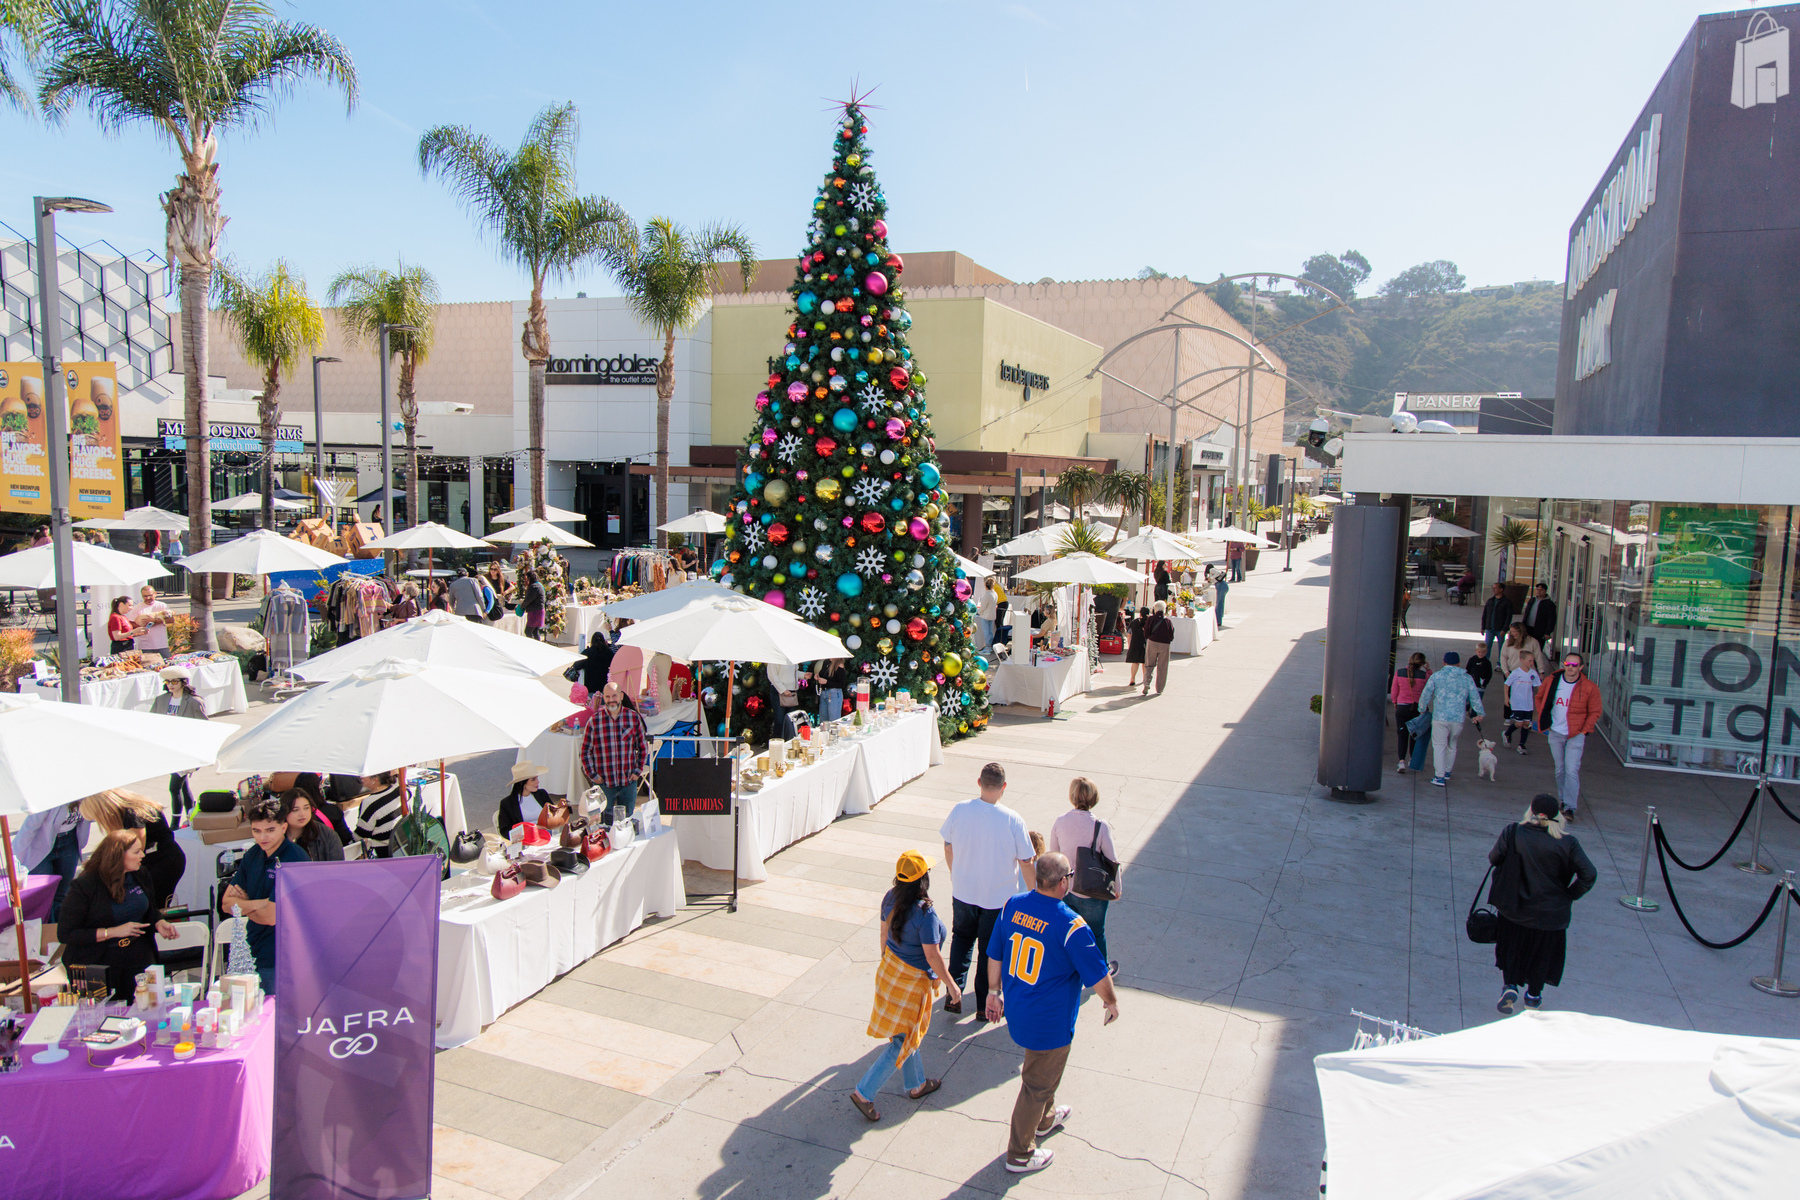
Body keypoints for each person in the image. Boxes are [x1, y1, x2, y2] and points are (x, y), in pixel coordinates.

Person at [985, 852, 1120, 1174]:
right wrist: (1110, 1001)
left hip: (1019, 1010)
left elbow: (994, 953)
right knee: (1036, 1084)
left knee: (1042, 1072)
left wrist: (993, 992)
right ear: (1063, 882)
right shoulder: (1070, 923)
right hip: (1050, 1021)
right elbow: (1098, 975)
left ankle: (1044, 1120)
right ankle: (1019, 1153)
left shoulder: (1012, 905)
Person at [848, 850, 957, 1122]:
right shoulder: (925, 913)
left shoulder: (890, 898)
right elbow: (932, 955)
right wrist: (952, 986)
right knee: (901, 1040)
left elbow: (884, 936)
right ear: (922, 880)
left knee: (908, 1035)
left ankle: (917, 1084)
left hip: (890, 972)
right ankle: (864, 1093)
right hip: (912, 981)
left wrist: (888, 965)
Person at [939, 763, 1035, 1020]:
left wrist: (954, 872)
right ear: (1004, 787)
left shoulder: (960, 810)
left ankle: (953, 993)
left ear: (978, 782)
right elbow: (1027, 861)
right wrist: (1035, 896)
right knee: (989, 951)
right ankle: (983, 1005)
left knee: (961, 941)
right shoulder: (1013, 820)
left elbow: (947, 845)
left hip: (963, 892)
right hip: (997, 900)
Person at [1488, 794, 1597, 1013]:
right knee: (1542, 955)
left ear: (1531, 811)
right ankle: (1533, 995)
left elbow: (1494, 858)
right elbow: (1589, 874)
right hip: (1551, 915)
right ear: (1558, 816)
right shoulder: (1568, 843)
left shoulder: (1513, 832)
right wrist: (1569, 895)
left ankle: (1510, 986)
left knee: (1511, 949)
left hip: (1514, 907)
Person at [59, 830, 181, 999]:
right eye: (136, 852)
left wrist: (159, 922)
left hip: (138, 955)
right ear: (118, 856)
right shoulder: (85, 886)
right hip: (100, 961)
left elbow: (149, 910)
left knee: (147, 1003)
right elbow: (66, 934)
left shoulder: (140, 874)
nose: (142, 855)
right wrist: (113, 932)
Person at [221, 796, 310, 993]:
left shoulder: (294, 859)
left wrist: (244, 907)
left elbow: (270, 917)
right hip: (254, 950)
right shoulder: (253, 854)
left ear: (284, 828)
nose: (263, 837)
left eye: (270, 830)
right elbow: (226, 904)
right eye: (257, 831)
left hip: (283, 956)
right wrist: (261, 903)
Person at [1047, 777, 1122, 976]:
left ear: (1072, 796)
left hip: (1066, 890)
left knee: (1067, 933)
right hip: (1093, 892)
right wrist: (1117, 888)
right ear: (1094, 797)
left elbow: (1054, 857)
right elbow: (1112, 860)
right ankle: (1102, 970)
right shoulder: (1100, 826)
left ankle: (1069, 968)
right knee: (1096, 933)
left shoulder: (1060, 822)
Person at [79, 789, 186, 911]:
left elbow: (135, 849)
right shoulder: (134, 807)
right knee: (152, 906)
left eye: (97, 818)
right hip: (160, 859)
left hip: (163, 863)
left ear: (103, 810)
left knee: (152, 907)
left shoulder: (132, 815)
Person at [1533, 651, 1601, 821]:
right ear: (1563, 664)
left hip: (1576, 734)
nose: (1570, 668)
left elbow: (1595, 711)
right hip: (1556, 732)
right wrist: (1545, 717)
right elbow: (1540, 698)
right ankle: (1563, 801)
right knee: (1560, 769)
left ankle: (1570, 807)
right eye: (1568, 664)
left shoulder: (1590, 687)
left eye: (1575, 665)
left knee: (1571, 770)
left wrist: (1585, 729)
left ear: (1581, 667)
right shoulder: (1552, 681)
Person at [15, 801, 89, 939]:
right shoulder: (52, 798)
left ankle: (61, 935)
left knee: (62, 893)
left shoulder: (88, 794)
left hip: (70, 841)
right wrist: (14, 859)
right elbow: (29, 828)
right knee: (45, 895)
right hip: (42, 846)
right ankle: (47, 938)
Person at [150, 666, 208, 826]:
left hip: (187, 751)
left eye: (174, 681)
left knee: (174, 787)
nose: (170, 685)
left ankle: (174, 823)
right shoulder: (161, 700)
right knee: (183, 786)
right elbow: (151, 722)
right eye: (167, 682)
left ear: (183, 682)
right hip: (169, 749)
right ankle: (192, 817)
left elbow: (204, 728)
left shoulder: (194, 702)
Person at [1416, 650, 1484, 787]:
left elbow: (1426, 694)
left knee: (1439, 746)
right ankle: (1447, 772)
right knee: (1452, 745)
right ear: (1459, 663)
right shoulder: (1467, 678)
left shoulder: (1437, 676)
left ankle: (1439, 776)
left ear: (1444, 662)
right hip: (1458, 718)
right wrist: (1480, 713)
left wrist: (1422, 709)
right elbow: (1475, 697)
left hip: (1440, 717)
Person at [579, 682, 649, 814]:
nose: (611, 700)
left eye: (614, 696)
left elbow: (643, 747)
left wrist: (637, 770)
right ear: (603, 698)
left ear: (621, 696)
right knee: (604, 824)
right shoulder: (594, 721)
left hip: (628, 781)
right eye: (608, 696)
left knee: (626, 821)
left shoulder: (633, 718)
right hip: (603, 783)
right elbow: (584, 751)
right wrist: (592, 775)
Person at [1390, 651, 1432, 773]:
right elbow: (1431, 686)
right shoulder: (1424, 676)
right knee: (1415, 735)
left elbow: (1394, 691)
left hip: (1402, 708)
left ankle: (1401, 762)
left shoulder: (1399, 673)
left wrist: (1395, 702)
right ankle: (1412, 759)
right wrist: (1428, 670)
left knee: (1402, 736)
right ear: (1422, 663)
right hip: (1418, 709)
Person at [279, 788, 344, 862]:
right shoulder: (275, 834)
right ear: (283, 812)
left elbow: (337, 868)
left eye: (306, 808)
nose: (302, 814)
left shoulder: (327, 835)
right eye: (295, 810)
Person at [352, 771, 406, 857]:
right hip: (403, 845)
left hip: (385, 851)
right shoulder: (398, 788)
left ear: (375, 779)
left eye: (364, 775)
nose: (360, 777)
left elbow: (361, 834)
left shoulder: (369, 803)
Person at [497, 761, 554, 838]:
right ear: (522, 783)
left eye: (537, 778)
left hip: (548, 835)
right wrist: (532, 829)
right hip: (525, 840)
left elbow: (554, 814)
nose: (538, 781)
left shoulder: (542, 794)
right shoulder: (507, 803)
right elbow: (505, 831)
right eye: (533, 779)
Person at [1503, 657, 1542, 755]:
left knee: (1526, 724)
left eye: (1533, 660)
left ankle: (1521, 745)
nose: (1531, 662)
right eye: (1529, 660)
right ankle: (1507, 733)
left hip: (1528, 704)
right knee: (1519, 724)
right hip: (1517, 703)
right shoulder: (1516, 673)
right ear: (1522, 660)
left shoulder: (1533, 673)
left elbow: (1538, 686)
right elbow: (1507, 684)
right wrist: (1506, 698)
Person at [1141, 601, 1175, 696]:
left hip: (1152, 642)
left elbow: (1146, 631)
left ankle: (1147, 683)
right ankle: (1159, 688)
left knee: (1149, 664)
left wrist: (1148, 638)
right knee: (1162, 667)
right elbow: (1171, 635)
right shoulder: (1168, 621)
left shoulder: (1151, 619)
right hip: (1164, 644)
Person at [766, 661, 807, 739]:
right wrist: (783, 690)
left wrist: (803, 675)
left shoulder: (791, 656)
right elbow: (772, 675)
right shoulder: (775, 657)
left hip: (791, 692)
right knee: (780, 721)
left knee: (790, 721)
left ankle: (788, 743)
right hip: (779, 692)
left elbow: (792, 673)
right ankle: (777, 744)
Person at [129, 584, 172, 655]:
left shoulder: (162, 605)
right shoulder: (137, 608)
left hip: (162, 644)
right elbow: (131, 624)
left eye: (150, 595)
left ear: (155, 594)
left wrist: (154, 621)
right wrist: (143, 626)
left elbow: (171, 620)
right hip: (145, 645)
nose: (148, 598)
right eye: (145, 596)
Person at [573, 630, 615, 694]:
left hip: (590, 688)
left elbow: (576, 665)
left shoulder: (587, 652)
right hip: (604, 688)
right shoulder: (609, 653)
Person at [1481, 583, 1514, 657]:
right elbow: (1485, 614)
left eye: (1495, 588)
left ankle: (1500, 663)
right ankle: (1486, 662)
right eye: (1493, 588)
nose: (1493, 590)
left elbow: (1508, 617)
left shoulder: (1507, 602)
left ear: (1501, 589)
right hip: (1489, 628)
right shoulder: (1490, 601)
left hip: (1500, 629)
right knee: (1487, 647)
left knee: (1501, 648)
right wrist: (1483, 627)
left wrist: (1505, 629)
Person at [1523, 582, 1557, 649]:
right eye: (1537, 589)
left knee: (1537, 648)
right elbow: (1526, 614)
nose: (1539, 591)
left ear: (1545, 591)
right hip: (1528, 628)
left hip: (1540, 630)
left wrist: (1548, 632)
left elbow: (1552, 619)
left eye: (1541, 590)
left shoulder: (1549, 604)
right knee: (1526, 647)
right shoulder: (1532, 600)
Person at [814, 656, 849, 721]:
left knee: (833, 720)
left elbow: (841, 684)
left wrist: (826, 682)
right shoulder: (826, 662)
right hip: (823, 692)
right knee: (823, 720)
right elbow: (823, 674)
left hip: (834, 694)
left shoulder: (839, 665)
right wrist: (818, 676)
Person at [1123, 606, 1147, 688]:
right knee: (1144, 663)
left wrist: (1129, 645)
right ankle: (1144, 679)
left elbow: (1129, 634)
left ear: (1140, 614)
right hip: (1145, 644)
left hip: (1135, 643)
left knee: (1135, 662)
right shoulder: (1149, 622)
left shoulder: (1134, 622)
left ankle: (1132, 678)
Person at [521, 569, 547, 640]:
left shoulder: (534, 587)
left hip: (535, 612)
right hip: (539, 611)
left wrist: (521, 606)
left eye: (526, 578)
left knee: (528, 631)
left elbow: (528, 600)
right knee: (535, 631)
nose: (525, 581)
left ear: (529, 578)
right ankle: (538, 646)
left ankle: (532, 646)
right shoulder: (539, 585)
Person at [975, 577, 998, 649]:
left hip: (986, 616)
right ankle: (990, 645)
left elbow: (983, 607)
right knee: (990, 632)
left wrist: (978, 612)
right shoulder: (994, 594)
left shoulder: (987, 595)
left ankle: (988, 647)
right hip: (992, 615)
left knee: (986, 633)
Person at [1211, 564, 1229, 628]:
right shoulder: (1213, 573)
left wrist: (1211, 578)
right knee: (1220, 602)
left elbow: (1218, 573)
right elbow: (1208, 584)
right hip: (1222, 586)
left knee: (1219, 603)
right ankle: (1219, 617)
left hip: (1221, 586)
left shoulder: (1211, 570)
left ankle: (1218, 621)